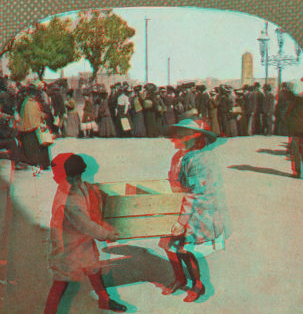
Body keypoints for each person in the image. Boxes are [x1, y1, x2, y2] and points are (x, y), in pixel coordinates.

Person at [44, 154, 127, 313]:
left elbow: (88, 197)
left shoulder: (80, 185)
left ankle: (105, 301)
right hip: (66, 244)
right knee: (61, 282)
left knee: (93, 269)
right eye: (77, 176)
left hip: (82, 241)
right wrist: (108, 234)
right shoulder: (68, 197)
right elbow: (85, 224)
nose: (80, 179)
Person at [160, 118, 227, 302]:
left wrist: (181, 221)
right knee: (168, 244)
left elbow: (193, 194)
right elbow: (174, 180)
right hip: (178, 204)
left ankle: (198, 284)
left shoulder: (199, 159)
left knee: (186, 248)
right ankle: (180, 279)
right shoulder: (178, 157)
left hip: (194, 210)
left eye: (180, 135)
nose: (174, 138)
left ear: (195, 137)